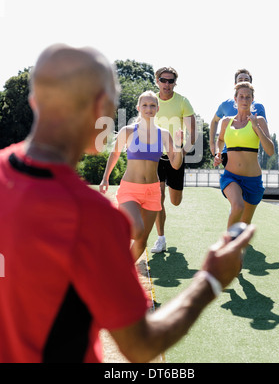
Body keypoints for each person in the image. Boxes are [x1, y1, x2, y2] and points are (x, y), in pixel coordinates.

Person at [0, 43, 255, 363]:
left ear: (34, 100)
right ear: (101, 108)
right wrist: (211, 280)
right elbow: (141, 346)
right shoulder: (92, 218)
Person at [99, 90, 183, 262]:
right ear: (138, 107)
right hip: (130, 189)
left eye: (152, 105)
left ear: (158, 108)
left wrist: (179, 144)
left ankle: (122, 271)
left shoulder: (164, 134)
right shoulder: (128, 131)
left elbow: (175, 164)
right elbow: (114, 154)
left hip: (152, 192)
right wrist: (105, 177)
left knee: (142, 240)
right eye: (144, 105)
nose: (148, 108)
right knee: (136, 229)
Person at [214, 81, 274, 228]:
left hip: (253, 180)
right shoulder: (226, 122)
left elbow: (270, 151)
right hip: (231, 176)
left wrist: (256, 127)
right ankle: (226, 245)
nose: (245, 100)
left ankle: (236, 240)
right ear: (235, 99)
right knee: (238, 206)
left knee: (244, 224)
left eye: (248, 97)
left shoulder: (259, 120)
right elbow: (220, 140)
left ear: (252, 99)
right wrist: (218, 153)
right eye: (241, 96)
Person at [151, 66, 198, 254]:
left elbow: (192, 133)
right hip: (155, 155)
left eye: (171, 81)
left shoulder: (182, 102)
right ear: (157, 81)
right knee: (157, 197)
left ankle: (175, 192)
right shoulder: (151, 100)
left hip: (176, 153)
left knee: (175, 201)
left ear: (175, 83)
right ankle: (160, 239)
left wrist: (181, 153)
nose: (167, 84)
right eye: (163, 80)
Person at [209, 69, 267, 165]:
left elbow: (264, 133)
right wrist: (212, 143)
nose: (243, 81)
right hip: (228, 153)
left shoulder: (259, 107)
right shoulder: (225, 104)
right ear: (235, 84)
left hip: (249, 153)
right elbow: (214, 121)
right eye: (240, 80)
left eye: (246, 80)